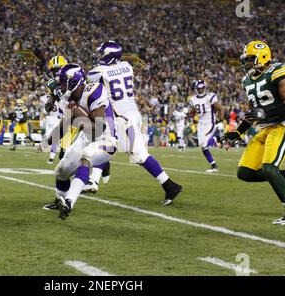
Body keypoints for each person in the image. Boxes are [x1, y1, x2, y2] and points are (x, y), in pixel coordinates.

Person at [85, 41, 182, 205]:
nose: (99, 56)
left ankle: (170, 185)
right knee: (105, 143)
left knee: (139, 155)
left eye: (102, 54)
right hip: (131, 112)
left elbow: (93, 93)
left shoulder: (98, 72)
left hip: (121, 117)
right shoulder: (127, 66)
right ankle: (93, 180)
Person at [221, 40, 285, 225]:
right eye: (246, 60)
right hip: (264, 129)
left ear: (263, 57)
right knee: (245, 173)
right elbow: (253, 113)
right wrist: (238, 133)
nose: (246, 63)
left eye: (250, 59)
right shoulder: (247, 80)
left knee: (268, 168)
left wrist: (266, 112)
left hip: (281, 126)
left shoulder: (276, 71)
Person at [38, 64, 116, 220]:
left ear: (73, 82)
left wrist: (78, 118)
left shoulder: (95, 91)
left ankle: (69, 201)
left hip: (106, 138)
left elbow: (99, 128)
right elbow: (64, 125)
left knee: (85, 158)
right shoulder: (71, 99)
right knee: (61, 170)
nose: (60, 86)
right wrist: (47, 142)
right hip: (86, 137)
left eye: (62, 83)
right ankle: (60, 200)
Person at [189, 80, 225, 173]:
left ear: (205, 87)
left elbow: (220, 108)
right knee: (202, 146)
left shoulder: (210, 96)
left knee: (204, 144)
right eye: (199, 88)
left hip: (210, 123)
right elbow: (192, 112)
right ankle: (214, 165)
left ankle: (217, 138)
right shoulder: (193, 99)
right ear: (196, 88)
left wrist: (220, 121)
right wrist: (188, 114)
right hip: (200, 125)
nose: (201, 90)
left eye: (202, 88)